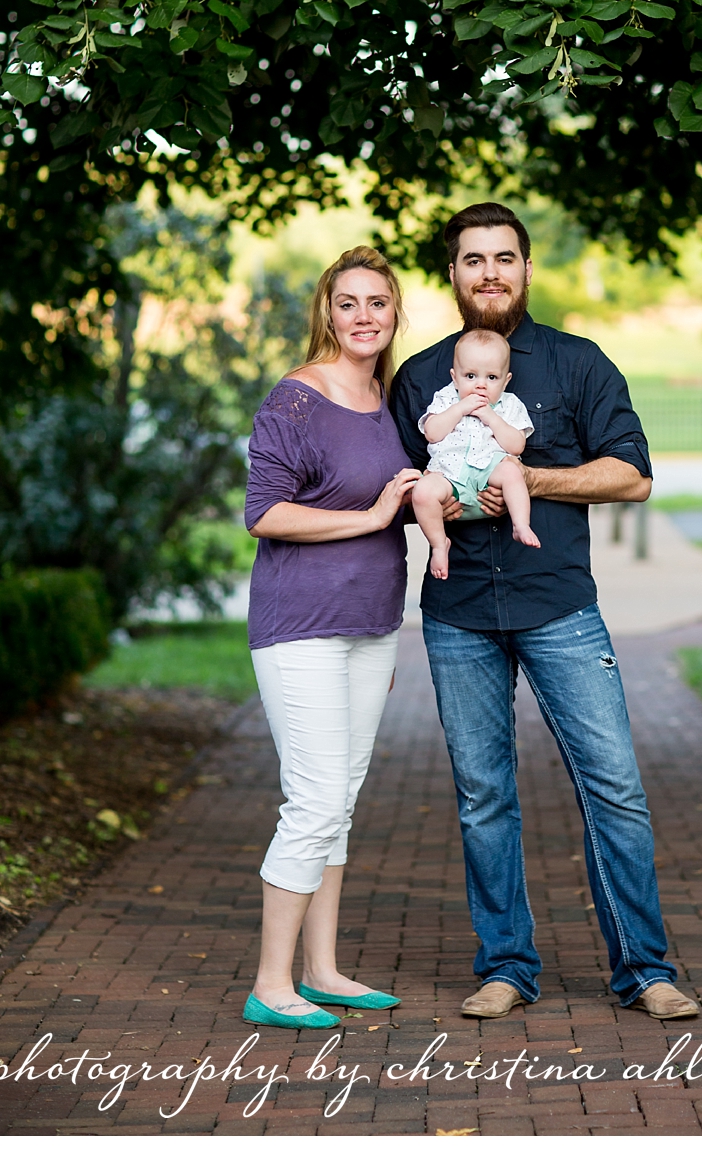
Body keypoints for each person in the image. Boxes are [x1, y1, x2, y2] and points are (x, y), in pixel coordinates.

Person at [389, 202, 699, 1022]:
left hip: (559, 604)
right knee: (483, 795)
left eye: (504, 257)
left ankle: (644, 969)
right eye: (472, 259)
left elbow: (631, 475)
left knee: (615, 788)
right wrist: (439, 504)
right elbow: (395, 492)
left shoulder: (577, 363)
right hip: (457, 613)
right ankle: (506, 967)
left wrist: (535, 483)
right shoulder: (419, 377)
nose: (489, 272)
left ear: (527, 269)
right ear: (451, 273)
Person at [240, 245, 421, 1030]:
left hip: (370, 627)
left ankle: (323, 970)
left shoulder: (390, 398)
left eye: (377, 303)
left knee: (339, 803)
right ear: (326, 312)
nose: (363, 318)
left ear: (393, 313)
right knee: (311, 799)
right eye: (348, 303)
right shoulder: (295, 400)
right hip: (300, 629)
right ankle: (270, 985)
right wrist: (373, 518)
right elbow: (264, 512)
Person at [411, 327, 539, 581]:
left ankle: (521, 524)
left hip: (490, 470)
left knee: (513, 472)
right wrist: (459, 409)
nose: (480, 385)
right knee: (422, 492)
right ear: (455, 377)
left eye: (492, 377)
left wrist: (491, 417)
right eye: (470, 376)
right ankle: (439, 545)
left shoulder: (509, 404)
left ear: (506, 380)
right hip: (449, 473)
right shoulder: (446, 398)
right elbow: (432, 433)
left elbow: (516, 446)